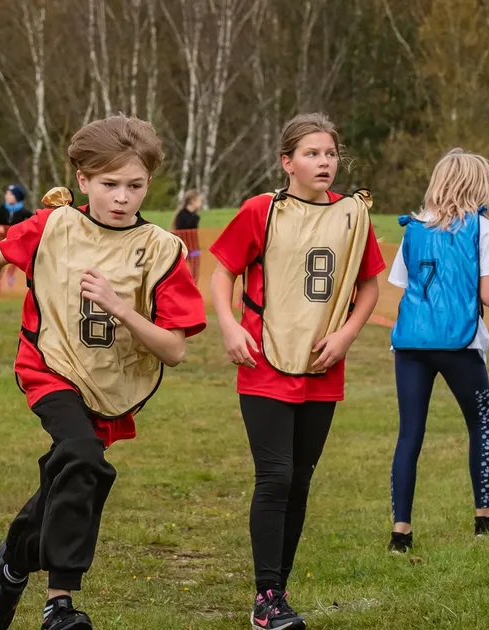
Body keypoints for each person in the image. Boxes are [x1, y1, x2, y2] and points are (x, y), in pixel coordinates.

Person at [0, 115, 206, 630]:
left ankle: (12, 566)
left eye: (135, 185)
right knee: (81, 456)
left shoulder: (163, 248)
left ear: (149, 182)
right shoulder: (54, 225)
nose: (121, 197)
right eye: (109, 184)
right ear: (83, 179)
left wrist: (121, 308)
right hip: (50, 367)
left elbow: (174, 350)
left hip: (112, 385)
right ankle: (59, 605)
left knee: (71, 476)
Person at [209, 112, 383, 630]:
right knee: (276, 476)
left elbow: (369, 285)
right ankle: (266, 596)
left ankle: (276, 594)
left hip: (322, 365)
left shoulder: (353, 215)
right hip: (265, 360)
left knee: (300, 482)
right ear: (287, 162)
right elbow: (222, 273)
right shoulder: (260, 211)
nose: (324, 162)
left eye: (330, 154)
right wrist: (229, 326)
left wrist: (346, 335)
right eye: (312, 154)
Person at [386, 148, 489, 552]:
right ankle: (484, 518)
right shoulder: (483, 230)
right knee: (480, 425)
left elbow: (404, 283)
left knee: (410, 433)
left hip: (411, 342)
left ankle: (400, 533)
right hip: (460, 342)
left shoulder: (413, 228)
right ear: (479, 186)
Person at [0, 184, 33, 290]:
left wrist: (25, 228)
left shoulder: (22, 210)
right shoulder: (2, 208)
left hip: (15, 241)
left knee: (16, 259)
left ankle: (11, 274)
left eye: (10, 194)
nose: (7, 196)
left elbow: (33, 219)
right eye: (7, 194)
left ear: (16, 197)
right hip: (1, 240)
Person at [171, 189, 203, 282]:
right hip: (183, 248)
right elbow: (179, 232)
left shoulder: (196, 217)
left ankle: (192, 289)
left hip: (194, 247)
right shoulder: (181, 216)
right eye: (199, 201)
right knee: (181, 271)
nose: (200, 203)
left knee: (195, 273)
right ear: (192, 201)